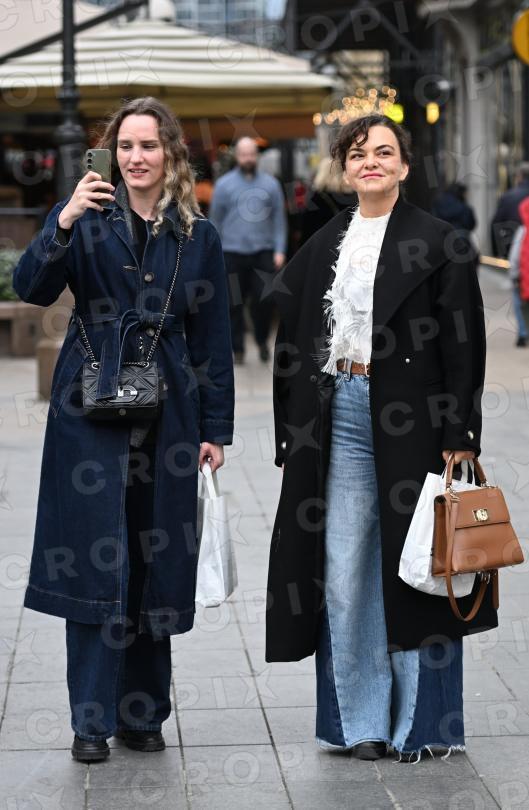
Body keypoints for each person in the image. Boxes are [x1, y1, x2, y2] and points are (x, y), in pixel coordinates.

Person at [266, 114, 498, 762]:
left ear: (403, 166)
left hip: (415, 419)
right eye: (358, 153)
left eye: (384, 152)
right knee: (344, 572)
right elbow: (292, 333)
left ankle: (420, 727)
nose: (370, 161)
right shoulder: (325, 241)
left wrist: (460, 432)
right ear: (345, 169)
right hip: (338, 413)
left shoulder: (441, 242)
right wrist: (290, 426)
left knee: (419, 567)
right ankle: (359, 722)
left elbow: (464, 344)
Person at [12, 97, 234, 763]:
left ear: (170, 153)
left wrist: (215, 429)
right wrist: (63, 217)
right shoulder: (85, 219)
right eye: (127, 146)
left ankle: (142, 715)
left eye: (150, 145)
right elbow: (30, 287)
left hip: (170, 415)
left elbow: (213, 337)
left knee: (153, 561)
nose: (137, 158)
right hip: (89, 410)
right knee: (92, 562)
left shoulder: (197, 235)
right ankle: (90, 720)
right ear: (110, 154)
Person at [209, 136, 287, 364]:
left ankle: (262, 341)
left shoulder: (271, 184)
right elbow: (215, 222)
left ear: (257, 156)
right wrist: (215, 254)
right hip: (231, 254)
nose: (248, 158)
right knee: (233, 303)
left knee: (265, 300)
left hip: (263, 253)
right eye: (244, 155)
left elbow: (279, 219)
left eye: (252, 154)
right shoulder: (223, 185)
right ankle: (238, 349)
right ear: (237, 156)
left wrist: (280, 249)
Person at [299, 156, 358, 246]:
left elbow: (307, 228)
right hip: (347, 245)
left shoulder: (317, 198)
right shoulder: (352, 196)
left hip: (322, 245)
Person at [490, 162, 529, 258]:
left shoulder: (508, 197)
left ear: (519, 176)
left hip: (511, 248)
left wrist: (497, 252)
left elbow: (495, 224)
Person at [506, 198, 529, 347]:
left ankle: (523, 333)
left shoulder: (523, 231)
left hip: (524, 278)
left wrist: (513, 275)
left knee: (519, 303)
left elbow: (514, 256)